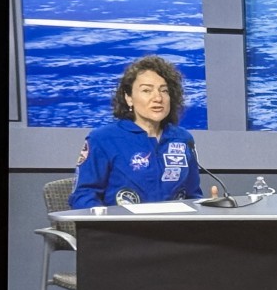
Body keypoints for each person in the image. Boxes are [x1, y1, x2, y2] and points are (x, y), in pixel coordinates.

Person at [69, 55, 202, 208]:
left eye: (164, 90)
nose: (158, 98)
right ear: (129, 98)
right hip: (121, 223)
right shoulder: (103, 139)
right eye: (146, 90)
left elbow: (193, 196)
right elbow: (83, 196)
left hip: (175, 223)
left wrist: (206, 206)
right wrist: (105, 218)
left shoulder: (183, 139)